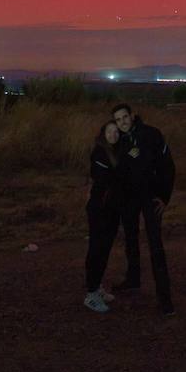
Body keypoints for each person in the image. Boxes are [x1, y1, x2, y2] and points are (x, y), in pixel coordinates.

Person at [111, 102, 176, 315]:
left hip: (150, 198)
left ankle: (165, 299)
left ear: (132, 115)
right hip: (129, 200)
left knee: (155, 245)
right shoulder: (118, 141)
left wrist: (164, 197)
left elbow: (167, 167)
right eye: (118, 120)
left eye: (124, 117)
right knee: (130, 238)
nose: (122, 123)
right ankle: (133, 279)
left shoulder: (151, 135)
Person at [83, 121, 123, 313]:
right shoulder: (100, 153)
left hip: (112, 209)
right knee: (97, 249)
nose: (113, 134)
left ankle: (97, 286)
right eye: (110, 131)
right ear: (103, 133)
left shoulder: (117, 153)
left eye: (116, 132)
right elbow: (107, 179)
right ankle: (91, 294)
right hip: (99, 209)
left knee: (105, 249)